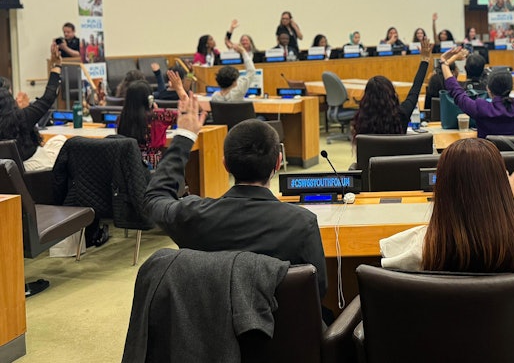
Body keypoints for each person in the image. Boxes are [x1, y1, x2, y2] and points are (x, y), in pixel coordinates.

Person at [144, 91, 327, 294]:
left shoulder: (191, 215)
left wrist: (184, 137)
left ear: (225, 165)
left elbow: (155, 198)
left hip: (211, 324)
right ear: (278, 163)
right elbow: (318, 290)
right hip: (279, 324)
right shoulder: (302, 222)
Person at [379, 138, 514, 283]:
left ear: (443, 188)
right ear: (500, 187)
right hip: (510, 337)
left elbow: (387, 262)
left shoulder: (423, 245)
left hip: (441, 336)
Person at [439, 38, 514, 139]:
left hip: (487, 155)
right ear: (511, 87)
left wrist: (444, 63)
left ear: (488, 89)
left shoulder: (481, 109)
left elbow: (457, 92)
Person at [351, 37, 433, 139]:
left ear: (366, 96)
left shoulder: (362, 119)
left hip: (372, 156)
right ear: (391, 93)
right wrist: (425, 60)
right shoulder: (402, 114)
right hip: (397, 155)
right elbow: (415, 89)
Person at [0, 61, 65, 171]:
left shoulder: (19, 116)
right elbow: (48, 98)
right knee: (62, 141)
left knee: (58, 140)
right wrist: (57, 66)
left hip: (12, 173)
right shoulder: (21, 117)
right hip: (35, 167)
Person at [116, 80, 178, 169]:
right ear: (150, 99)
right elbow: (187, 117)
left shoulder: (121, 119)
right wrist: (179, 89)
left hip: (127, 168)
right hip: (153, 170)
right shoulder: (158, 116)